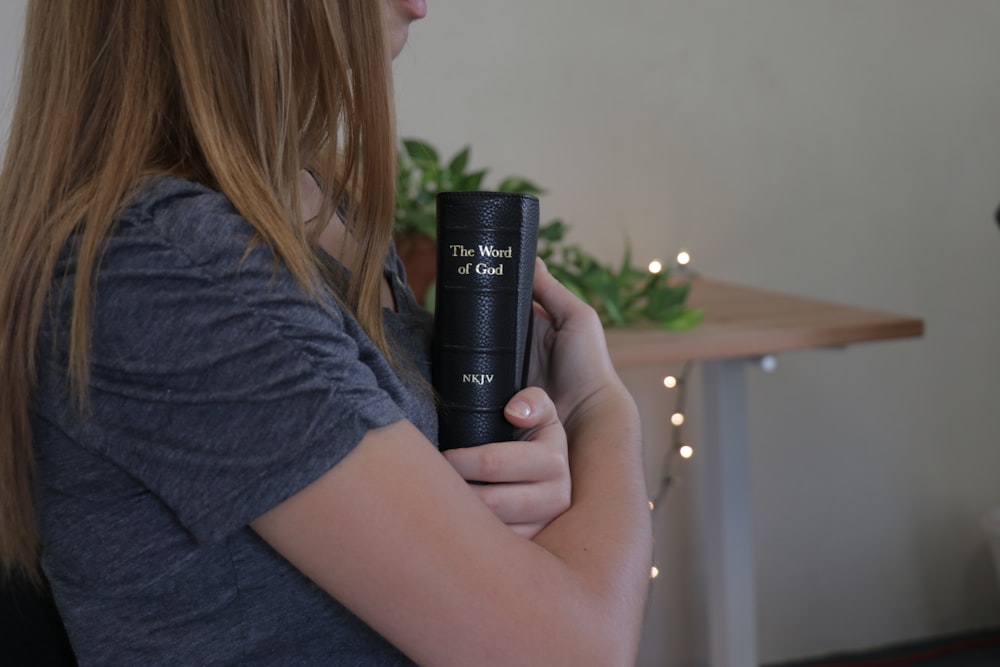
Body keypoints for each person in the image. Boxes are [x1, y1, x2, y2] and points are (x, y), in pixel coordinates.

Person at [0, 1, 652, 665]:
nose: (424, 3)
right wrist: (602, 410)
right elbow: (575, 652)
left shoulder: (314, 206)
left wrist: (520, 486)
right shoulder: (172, 264)